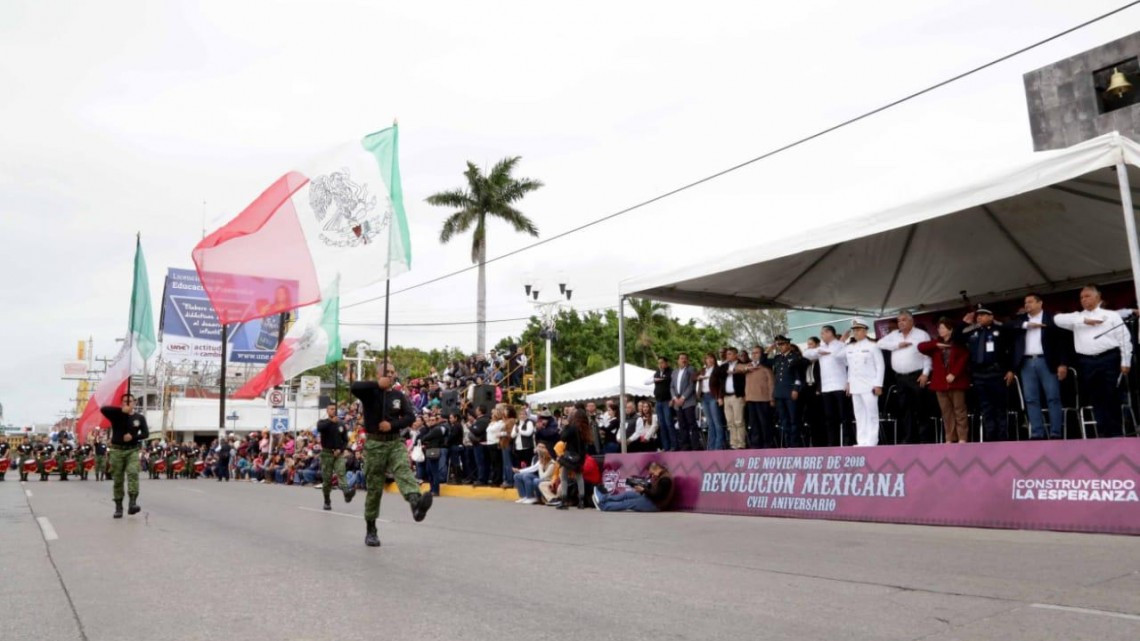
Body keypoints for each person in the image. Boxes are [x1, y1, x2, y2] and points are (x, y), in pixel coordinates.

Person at [351, 363, 432, 548]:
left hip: (395, 441)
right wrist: (376, 384)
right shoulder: (369, 392)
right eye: (387, 373)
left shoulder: (398, 396)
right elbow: (354, 387)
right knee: (374, 490)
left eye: (392, 373)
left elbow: (410, 417)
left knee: (403, 469)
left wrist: (393, 425)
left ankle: (416, 504)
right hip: (374, 445)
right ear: (379, 374)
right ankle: (371, 529)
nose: (391, 375)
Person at [1053, 285, 1133, 438]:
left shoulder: (1110, 315)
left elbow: (1124, 337)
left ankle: (1116, 433)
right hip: (1087, 362)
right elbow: (1056, 319)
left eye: (1088, 296)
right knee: (1095, 397)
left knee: (1112, 395)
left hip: (1109, 358)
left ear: (1098, 297)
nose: (1084, 300)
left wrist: (1126, 361)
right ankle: (1102, 433)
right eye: (1082, 297)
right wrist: (1084, 320)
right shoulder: (1077, 317)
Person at [1010, 293, 1072, 439]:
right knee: (1031, 399)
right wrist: (1026, 325)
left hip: (1046, 361)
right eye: (1025, 302)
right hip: (1026, 362)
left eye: (1030, 302)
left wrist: (1063, 363)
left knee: (1053, 397)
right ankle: (1037, 433)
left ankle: (1056, 432)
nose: (1027, 305)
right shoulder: (1021, 320)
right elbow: (1007, 326)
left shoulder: (1051, 319)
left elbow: (1062, 343)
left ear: (1040, 303)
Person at [876, 312, 933, 444]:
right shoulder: (894, 335)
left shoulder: (921, 334)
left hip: (917, 376)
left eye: (903, 320)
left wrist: (925, 373)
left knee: (921, 408)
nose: (900, 323)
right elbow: (879, 343)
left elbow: (927, 355)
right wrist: (897, 345)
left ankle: (924, 439)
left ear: (911, 321)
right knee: (905, 409)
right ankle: (909, 438)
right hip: (900, 378)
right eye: (898, 320)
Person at [962, 305, 1014, 442]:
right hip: (979, 375)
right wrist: (964, 323)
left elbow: (1011, 350)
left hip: (996, 373)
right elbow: (956, 338)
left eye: (983, 315)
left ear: (991, 316)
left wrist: (1010, 369)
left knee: (1000, 407)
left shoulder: (1001, 330)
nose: (979, 317)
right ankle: (990, 438)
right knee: (986, 408)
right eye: (978, 315)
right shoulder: (973, 331)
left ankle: (1002, 438)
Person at [918, 318, 971, 443]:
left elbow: (964, 358)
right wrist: (935, 344)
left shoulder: (958, 343)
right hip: (940, 384)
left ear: (950, 330)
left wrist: (954, 373)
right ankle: (950, 438)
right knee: (946, 413)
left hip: (956, 382)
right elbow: (921, 347)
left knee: (959, 411)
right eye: (939, 328)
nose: (940, 330)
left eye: (943, 328)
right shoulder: (936, 344)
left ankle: (962, 437)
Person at [100, 393, 149, 518]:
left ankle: (132, 503)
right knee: (118, 479)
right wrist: (121, 410)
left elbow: (145, 433)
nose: (128, 403)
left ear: (134, 403)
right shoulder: (116, 415)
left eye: (130, 401)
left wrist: (133, 437)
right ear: (122, 403)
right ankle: (118, 507)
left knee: (133, 473)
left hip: (132, 450)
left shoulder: (139, 418)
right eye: (125, 401)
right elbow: (103, 409)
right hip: (117, 451)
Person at [802, 326, 849, 446]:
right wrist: (818, 351)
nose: (821, 335)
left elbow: (849, 363)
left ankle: (847, 442)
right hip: (826, 388)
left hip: (840, 386)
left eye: (823, 333)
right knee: (829, 418)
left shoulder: (840, 345)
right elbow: (805, 354)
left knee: (844, 417)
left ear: (830, 333)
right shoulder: (821, 348)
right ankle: (832, 443)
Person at [845, 320, 885, 446]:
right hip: (856, 386)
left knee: (872, 414)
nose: (855, 333)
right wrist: (849, 382)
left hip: (869, 385)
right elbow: (851, 367)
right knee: (859, 415)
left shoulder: (873, 346)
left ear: (865, 331)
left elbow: (880, 366)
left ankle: (872, 442)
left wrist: (878, 384)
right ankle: (861, 441)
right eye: (854, 330)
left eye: (858, 330)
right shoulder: (850, 347)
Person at [316, 402, 356, 510]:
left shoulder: (341, 424)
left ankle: (347, 493)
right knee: (327, 479)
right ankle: (327, 500)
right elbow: (320, 428)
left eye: (334, 409)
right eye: (331, 409)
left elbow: (345, 440)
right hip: (327, 453)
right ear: (327, 411)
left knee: (341, 473)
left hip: (338, 454)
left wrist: (341, 449)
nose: (333, 410)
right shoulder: (323, 422)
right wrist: (330, 421)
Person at [593, 462, 673, 512]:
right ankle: (603, 499)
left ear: (656, 469)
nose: (652, 476)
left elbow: (657, 496)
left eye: (652, 473)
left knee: (627, 503)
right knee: (627, 495)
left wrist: (643, 490)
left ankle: (604, 506)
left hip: (655, 505)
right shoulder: (661, 474)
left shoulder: (665, 480)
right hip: (649, 497)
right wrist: (641, 486)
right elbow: (654, 488)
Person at [768, 336, 803, 447]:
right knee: (784, 420)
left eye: (782, 344)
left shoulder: (795, 357)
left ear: (788, 345)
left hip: (790, 392)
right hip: (779, 393)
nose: (780, 347)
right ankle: (787, 444)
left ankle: (795, 444)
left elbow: (799, 376)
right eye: (779, 345)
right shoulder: (778, 358)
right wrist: (769, 349)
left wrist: (796, 389)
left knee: (793, 419)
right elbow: (763, 361)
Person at [555, 408, 590, 510]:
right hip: (581, 456)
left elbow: (563, 437)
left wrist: (566, 426)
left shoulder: (572, 427)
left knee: (564, 476)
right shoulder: (585, 428)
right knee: (579, 477)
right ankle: (581, 501)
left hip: (570, 456)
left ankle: (564, 500)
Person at [744, 345, 776, 448]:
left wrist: (771, 398)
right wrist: (747, 367)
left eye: (756, 352)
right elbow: (737, 368)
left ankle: (768, 444)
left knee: (765, 423)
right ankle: (756, 445)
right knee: (753, 424)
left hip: (764, 399)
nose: (754, 355)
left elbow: (771, 383)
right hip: (750, 399)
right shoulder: (748, 366)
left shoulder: (766, 367)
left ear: (761, 354)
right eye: (752, 353)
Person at [718, 347, 748, 449]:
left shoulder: (741, 364)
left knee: (739, 421)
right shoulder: (724, 366)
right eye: (727, 354)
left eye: (730, 354)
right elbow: (718, 375)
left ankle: (741, 443)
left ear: (736, 355)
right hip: (726, 397)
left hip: (737, 396)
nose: (728, 356)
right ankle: (733, 443)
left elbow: (745, 380)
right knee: (730, 421)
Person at [697, 352, 727, 450]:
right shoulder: (703, 370)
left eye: (711, 358)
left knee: (717, 422)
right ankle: (711, 446)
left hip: (713, 396)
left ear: (714, 359)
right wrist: (699, 377)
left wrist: (720, 397)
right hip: (704, 397)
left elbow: (722, 384)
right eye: (707, 358)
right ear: (705, 360)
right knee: (710, 423)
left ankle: (718, 446)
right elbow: (693, 377)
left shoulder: (717, 369)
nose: (709, 360)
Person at [671, 353, 700, 451]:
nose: (683, 360)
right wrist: (675, 398)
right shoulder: (674, 372)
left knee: (691, 423)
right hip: (677, 402)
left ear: (687, 360)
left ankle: (695, 445)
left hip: (688, 401)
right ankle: (685, 445)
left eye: (685, 358)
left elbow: (691, 385)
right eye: (681, 358)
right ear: (678, 360)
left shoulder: (690, 370)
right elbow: (671, 387)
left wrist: (683, 398)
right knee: (682, 424)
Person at [648, 357, 677, 451]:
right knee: (662, 425)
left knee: (669, 423)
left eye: (662, 363)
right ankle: (666, 446)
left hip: (667, 400)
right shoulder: (656, 373)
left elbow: (674, 386)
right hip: (658, 401)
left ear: (666, 363)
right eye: (659, 363)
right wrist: (655, 380)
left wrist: (673, 398)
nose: (660, 365)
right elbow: (645, 382)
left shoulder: (671, 372)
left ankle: (674, 445)